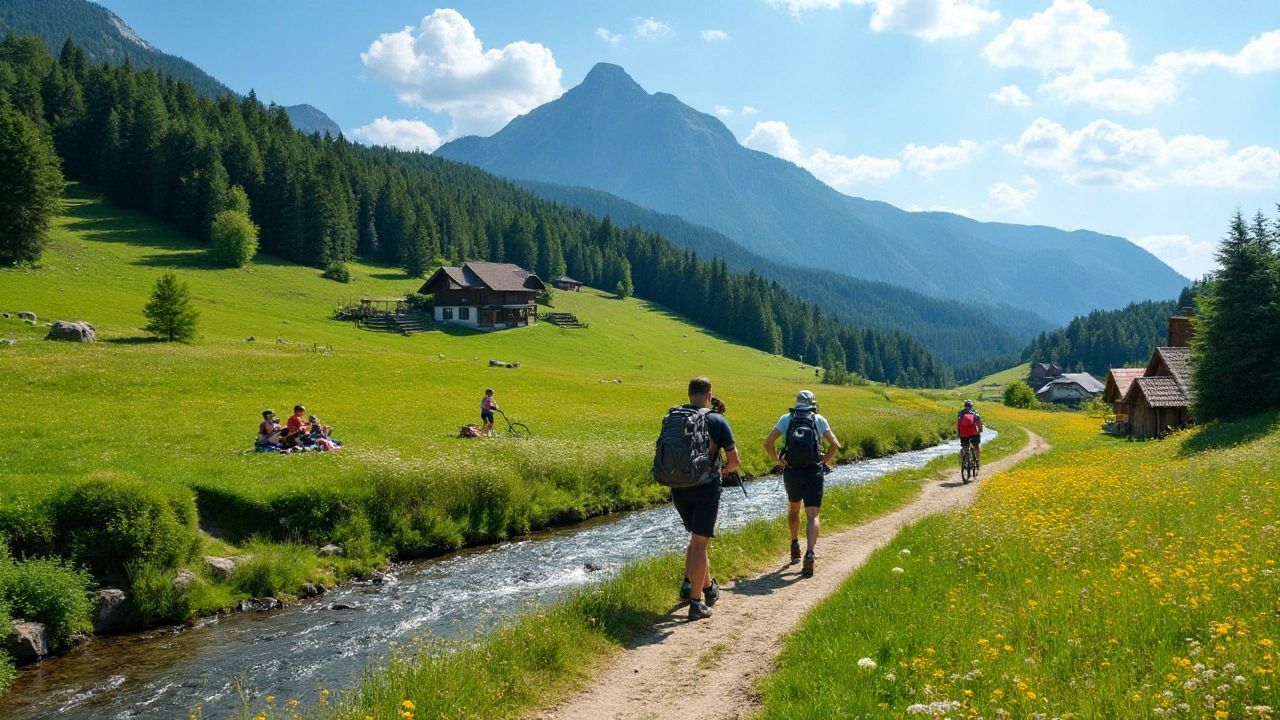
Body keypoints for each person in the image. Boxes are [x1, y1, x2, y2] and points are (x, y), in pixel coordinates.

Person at [667, 377, 739, 621]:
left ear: (689, 394)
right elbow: (734, 461)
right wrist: (722, 471)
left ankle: (702, 587)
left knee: (696, 540)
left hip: (678, 487)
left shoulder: (676, 417)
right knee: (700, 544)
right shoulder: (717, 420)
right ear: (709, 394)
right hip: (705, 487)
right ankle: (696, 604)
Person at [765, 390, 840, 578]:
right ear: (813, 403)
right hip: (813, 471)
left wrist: (778, 461)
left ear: (797, 403)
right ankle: (810, 553)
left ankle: (794, 544)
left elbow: (768, 443)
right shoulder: (818, 419)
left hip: (791, 471)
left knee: (794, 508)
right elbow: (835, 444)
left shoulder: (786, 418)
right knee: (812, 515)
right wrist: (823, 462)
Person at [958, 399, 984, 469]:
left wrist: (959, 433)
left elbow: (958, 425)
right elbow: (979, 424)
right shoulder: (975, 413)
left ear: (964, 406)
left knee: (964, 447)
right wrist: (979, 431)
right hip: (974, 433)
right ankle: (977, 461)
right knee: (976, 446)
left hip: (963, 434)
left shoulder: (960, 414)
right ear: (971, 406)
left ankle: (963, 462)